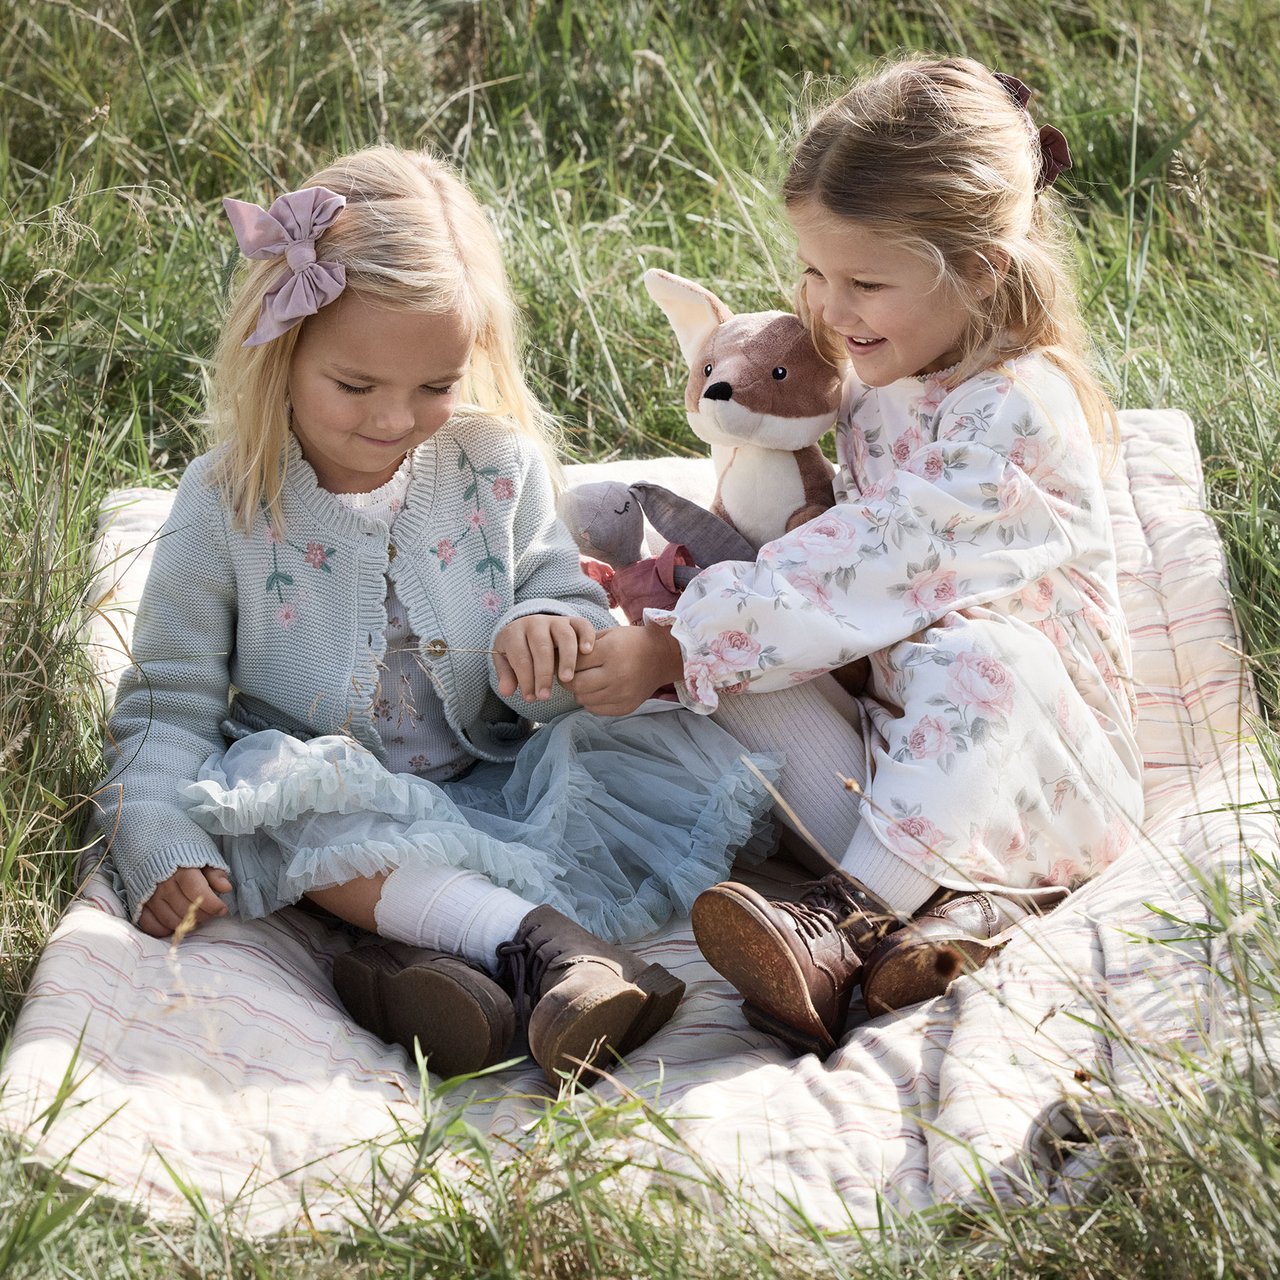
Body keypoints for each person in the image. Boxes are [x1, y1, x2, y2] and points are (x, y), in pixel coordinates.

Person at [92, 145, 780, 1087]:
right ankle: (554, 952)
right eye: (356, 386)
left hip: (496, 774)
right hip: (340, 796)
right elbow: (167, 703)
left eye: (435, 385)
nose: (395, 419)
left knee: (675, 753)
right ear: (281, 350)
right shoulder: (227, 504)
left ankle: (439, 980)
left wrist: (547, 631)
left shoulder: (492, 463)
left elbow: (560, 587)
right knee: (285, 807)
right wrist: (154, 837)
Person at [571, 57, 1145, 1055]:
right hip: (888, 773)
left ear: (978, 269)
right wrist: (669, 598)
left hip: (1032, 784)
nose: (829, 309)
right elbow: (815, 544)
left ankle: (848, 924)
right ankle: (915, 933)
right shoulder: (889, 376)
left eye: (863, 282)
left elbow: (870, 561)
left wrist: (681, 642)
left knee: (975, 659)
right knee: (723, 642)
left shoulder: (1014, 416)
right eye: (815, 274)